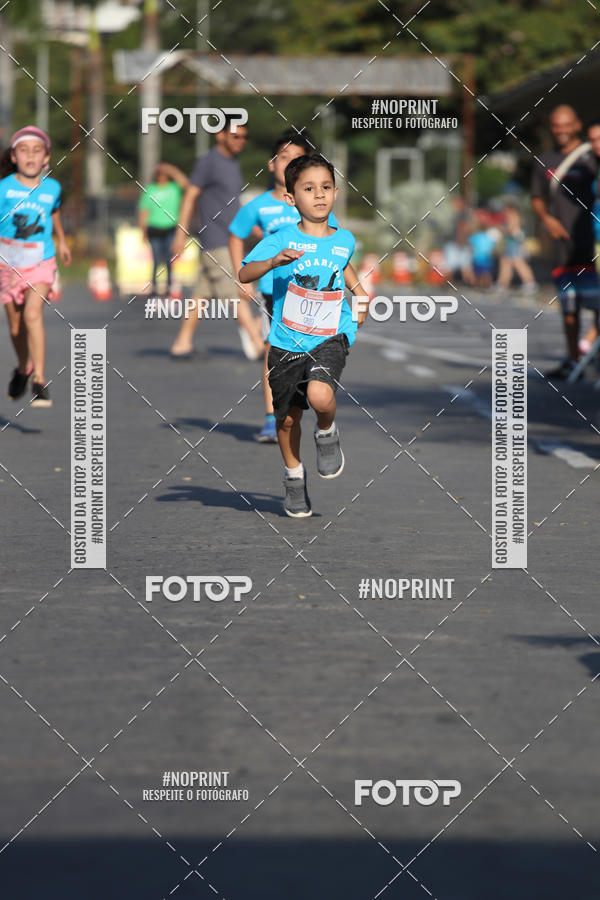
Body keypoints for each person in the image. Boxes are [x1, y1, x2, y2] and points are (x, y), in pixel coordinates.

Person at [239, 153, 369, 518]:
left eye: (326, 187)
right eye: (309, 189)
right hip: (286, 341)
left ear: (336, 192)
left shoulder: (345, 239)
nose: (319, 195)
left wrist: (359, 301)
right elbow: (245, 273)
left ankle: (326, 430)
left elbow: (344, 269)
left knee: (320, 394)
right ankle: (294, 475)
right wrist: (272, 262)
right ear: (291, 198)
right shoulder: (280, 238)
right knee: (288, 418)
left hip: (330, 336)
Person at [229, 129, 339, 443]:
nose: (290, 163)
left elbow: (335, 240)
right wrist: (240, 275)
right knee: (271, 349)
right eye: (285, 157)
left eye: (298, 159)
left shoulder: (313, 202)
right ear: (272, 164)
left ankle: (315, 409)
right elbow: (236, 233)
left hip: (314, 293)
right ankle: (271, 416)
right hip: (272, 290)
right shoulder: (258, 205)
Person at [170, 115, 252, 358]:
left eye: (244, 137)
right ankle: (259, 345)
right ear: (220, 134)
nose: (241, 141)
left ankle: (182, 343)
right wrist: (181, 233)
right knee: (237, 291)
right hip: (217, 240)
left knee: (201, 294)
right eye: (235, 136)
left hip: (230, 239)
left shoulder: (233, 163)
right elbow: (190, 196)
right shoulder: (209, 161)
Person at [0, 125, 71, 407]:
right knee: (16, 327)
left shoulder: (52, 187)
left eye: (36, 150)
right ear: (14, 156)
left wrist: (63, 240)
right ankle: (23, 368)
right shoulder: (4, 188)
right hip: (8, 264)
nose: (30, 156)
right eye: (23, 150)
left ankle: (40, 379)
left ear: (46, 158)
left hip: (41, 260)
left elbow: (54, 211)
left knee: (32, 314)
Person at [531, 105, 599, 379]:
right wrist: (546, 219)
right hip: (564, 247)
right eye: (556, 125)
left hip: (591, 244)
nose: (561, 130)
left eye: (566, 124)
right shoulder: (544, 159)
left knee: (596, 304)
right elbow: (536, 197)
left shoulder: (591, 158)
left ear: (577, 125)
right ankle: (575, 359)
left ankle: (587, 351)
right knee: (569, 307)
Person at [138, 161, 188, 296]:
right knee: (155, 260)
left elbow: (185, 183)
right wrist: (143, 231)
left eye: (164, 174)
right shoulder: (150, 189)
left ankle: (169, 287)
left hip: (170, 228)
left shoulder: (174, 188)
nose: (162, 177)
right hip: (154, 228)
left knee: (169, 260)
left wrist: (171, 169)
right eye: (160, 174)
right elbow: (144, 211)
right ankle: (154, 288)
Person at [495, 203, 537, 294]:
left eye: (506, 210)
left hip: (515, 244)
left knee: (519, 264)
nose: (504, 212)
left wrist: (501, 228)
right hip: (510, 244)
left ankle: (530, 283)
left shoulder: (515, 217)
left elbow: (511, 229)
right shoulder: (510, 217)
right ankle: (502, 284)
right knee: (505, 264)